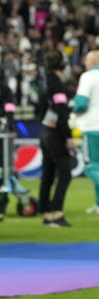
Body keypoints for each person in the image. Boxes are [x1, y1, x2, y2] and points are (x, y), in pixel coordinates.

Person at [37, 51, 74, 227]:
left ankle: (46, 213)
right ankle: (57, 213)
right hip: (55, 133)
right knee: (65, 173)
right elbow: (60, 111)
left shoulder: (45, 82)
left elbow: (41, 109)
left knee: (48, 173)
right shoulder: (57, 85)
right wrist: (68, 136)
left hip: (44, 131)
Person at [74, 50, 99, 214]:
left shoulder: (87, 77)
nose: (84, 62)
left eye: (87, 60)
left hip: (92, 128)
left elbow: (81, 103)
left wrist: (73, 107)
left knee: (92, 167)